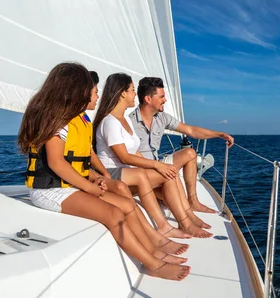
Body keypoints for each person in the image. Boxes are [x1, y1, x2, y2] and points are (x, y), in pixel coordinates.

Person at [18, 63, 190, 281]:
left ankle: (153, 248)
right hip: (50, 191)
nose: (97, 95)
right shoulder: (55, 120)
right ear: (74, 90)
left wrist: (95, 177)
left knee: (127, 204)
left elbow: (78, 160)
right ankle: (153, 264)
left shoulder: (78, 120)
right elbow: (56, 163)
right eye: (92, 90)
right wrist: (89, 186)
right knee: (114, 213)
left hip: (69, 184)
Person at [93, 72, 212, 238]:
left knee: (167, 172)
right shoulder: (110, 121)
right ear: (122, 93)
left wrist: (159, 167)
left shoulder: (123, 120)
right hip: (112, 173)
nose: (136, 94)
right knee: (167, 174)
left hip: (127, 172)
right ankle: (184, 222)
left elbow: (135, 151)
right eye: (132, 90)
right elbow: (124, 157)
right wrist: (157, 165)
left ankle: (184, 220)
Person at [128, 77, 234, 215]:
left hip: (157, 166)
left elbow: (191, 130)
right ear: (148, 99)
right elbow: (129, 156)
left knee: (190, 153)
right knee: (170, 199)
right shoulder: (130, 123)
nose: (165, 100)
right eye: (162, 96)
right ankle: (165, 199)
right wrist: (158, 169)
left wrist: (219, 134)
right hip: (141, 172)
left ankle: (193, 201)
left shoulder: (162, 118)